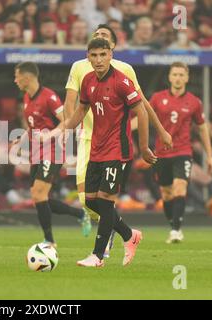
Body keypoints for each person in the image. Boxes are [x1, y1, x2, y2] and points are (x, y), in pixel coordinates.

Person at [64, 24, 172, 226]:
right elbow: (71, 104)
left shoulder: (124, 70)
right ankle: (122, 232)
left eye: (104, 36)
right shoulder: (80, 68)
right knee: (86, 201)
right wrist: (66, 131)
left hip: (114, 141)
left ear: (112, 48)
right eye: (96, 36)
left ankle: (104, 243)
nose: (99, 38)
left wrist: (161, 130)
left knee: (105, 198)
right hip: (87, 139)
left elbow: (142, 104)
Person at [64, 38, 156, 268]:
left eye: (102, 55)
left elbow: (142, 113)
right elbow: (81, 109)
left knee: (105, 201)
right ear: (88, 57)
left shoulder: (122, 82)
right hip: (97, 148)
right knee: (92, 201)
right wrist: (62, 129)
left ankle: (97, 256)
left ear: (110, 55)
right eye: (93, 55)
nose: (98, 60)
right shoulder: (87, 81)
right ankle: (129, 235)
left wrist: (144, 148)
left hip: (118, 149)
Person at [13, 62, 92, 246]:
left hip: (53, 151)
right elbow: (34, 127)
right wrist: (22, 137)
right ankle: (80, 214)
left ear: (27, 77)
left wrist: (50, 136)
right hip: (36, 152)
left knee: (39, 194)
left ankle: (49, 241)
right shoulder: (26, 98)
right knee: (38, 197)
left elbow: (66, 121)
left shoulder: (49, 97)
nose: (15, 80)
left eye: (17, 76)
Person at [149, 62, 212, 244]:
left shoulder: (194, 102)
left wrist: (209, 155)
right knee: (166, 194)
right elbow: (143, 118)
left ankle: (176, 230)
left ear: (187, 78)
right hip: (161, 153)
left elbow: (202, 129)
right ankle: (173, 225)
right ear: (170, 77)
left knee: (180, 187)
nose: (178, 78)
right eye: (175, 74)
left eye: (181, 75)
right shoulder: (157, 98)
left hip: (183, 151)